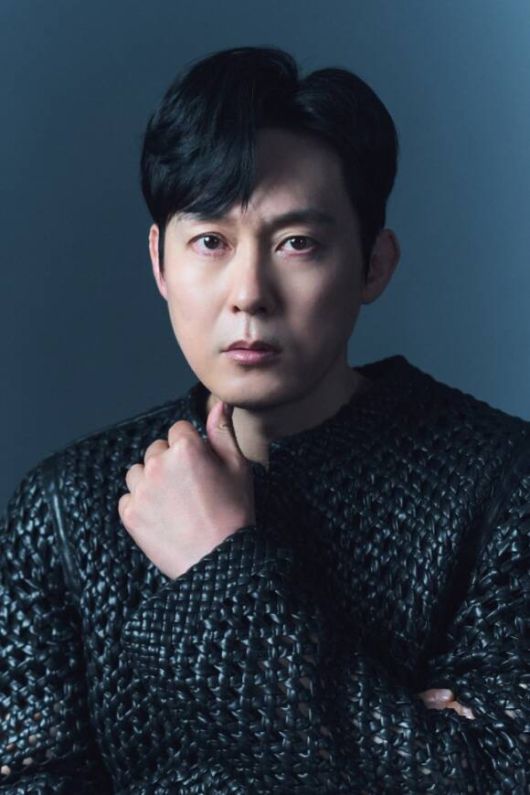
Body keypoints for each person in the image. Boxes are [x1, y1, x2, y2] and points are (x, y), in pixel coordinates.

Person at [1, 46, 528, 794]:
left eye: (296, 244)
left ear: (374, 263)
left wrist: (218, 566)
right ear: (159, 261)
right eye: (210, 242)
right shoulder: (64, 509)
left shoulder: (503, 486)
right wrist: (397, 747)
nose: (248, 292)